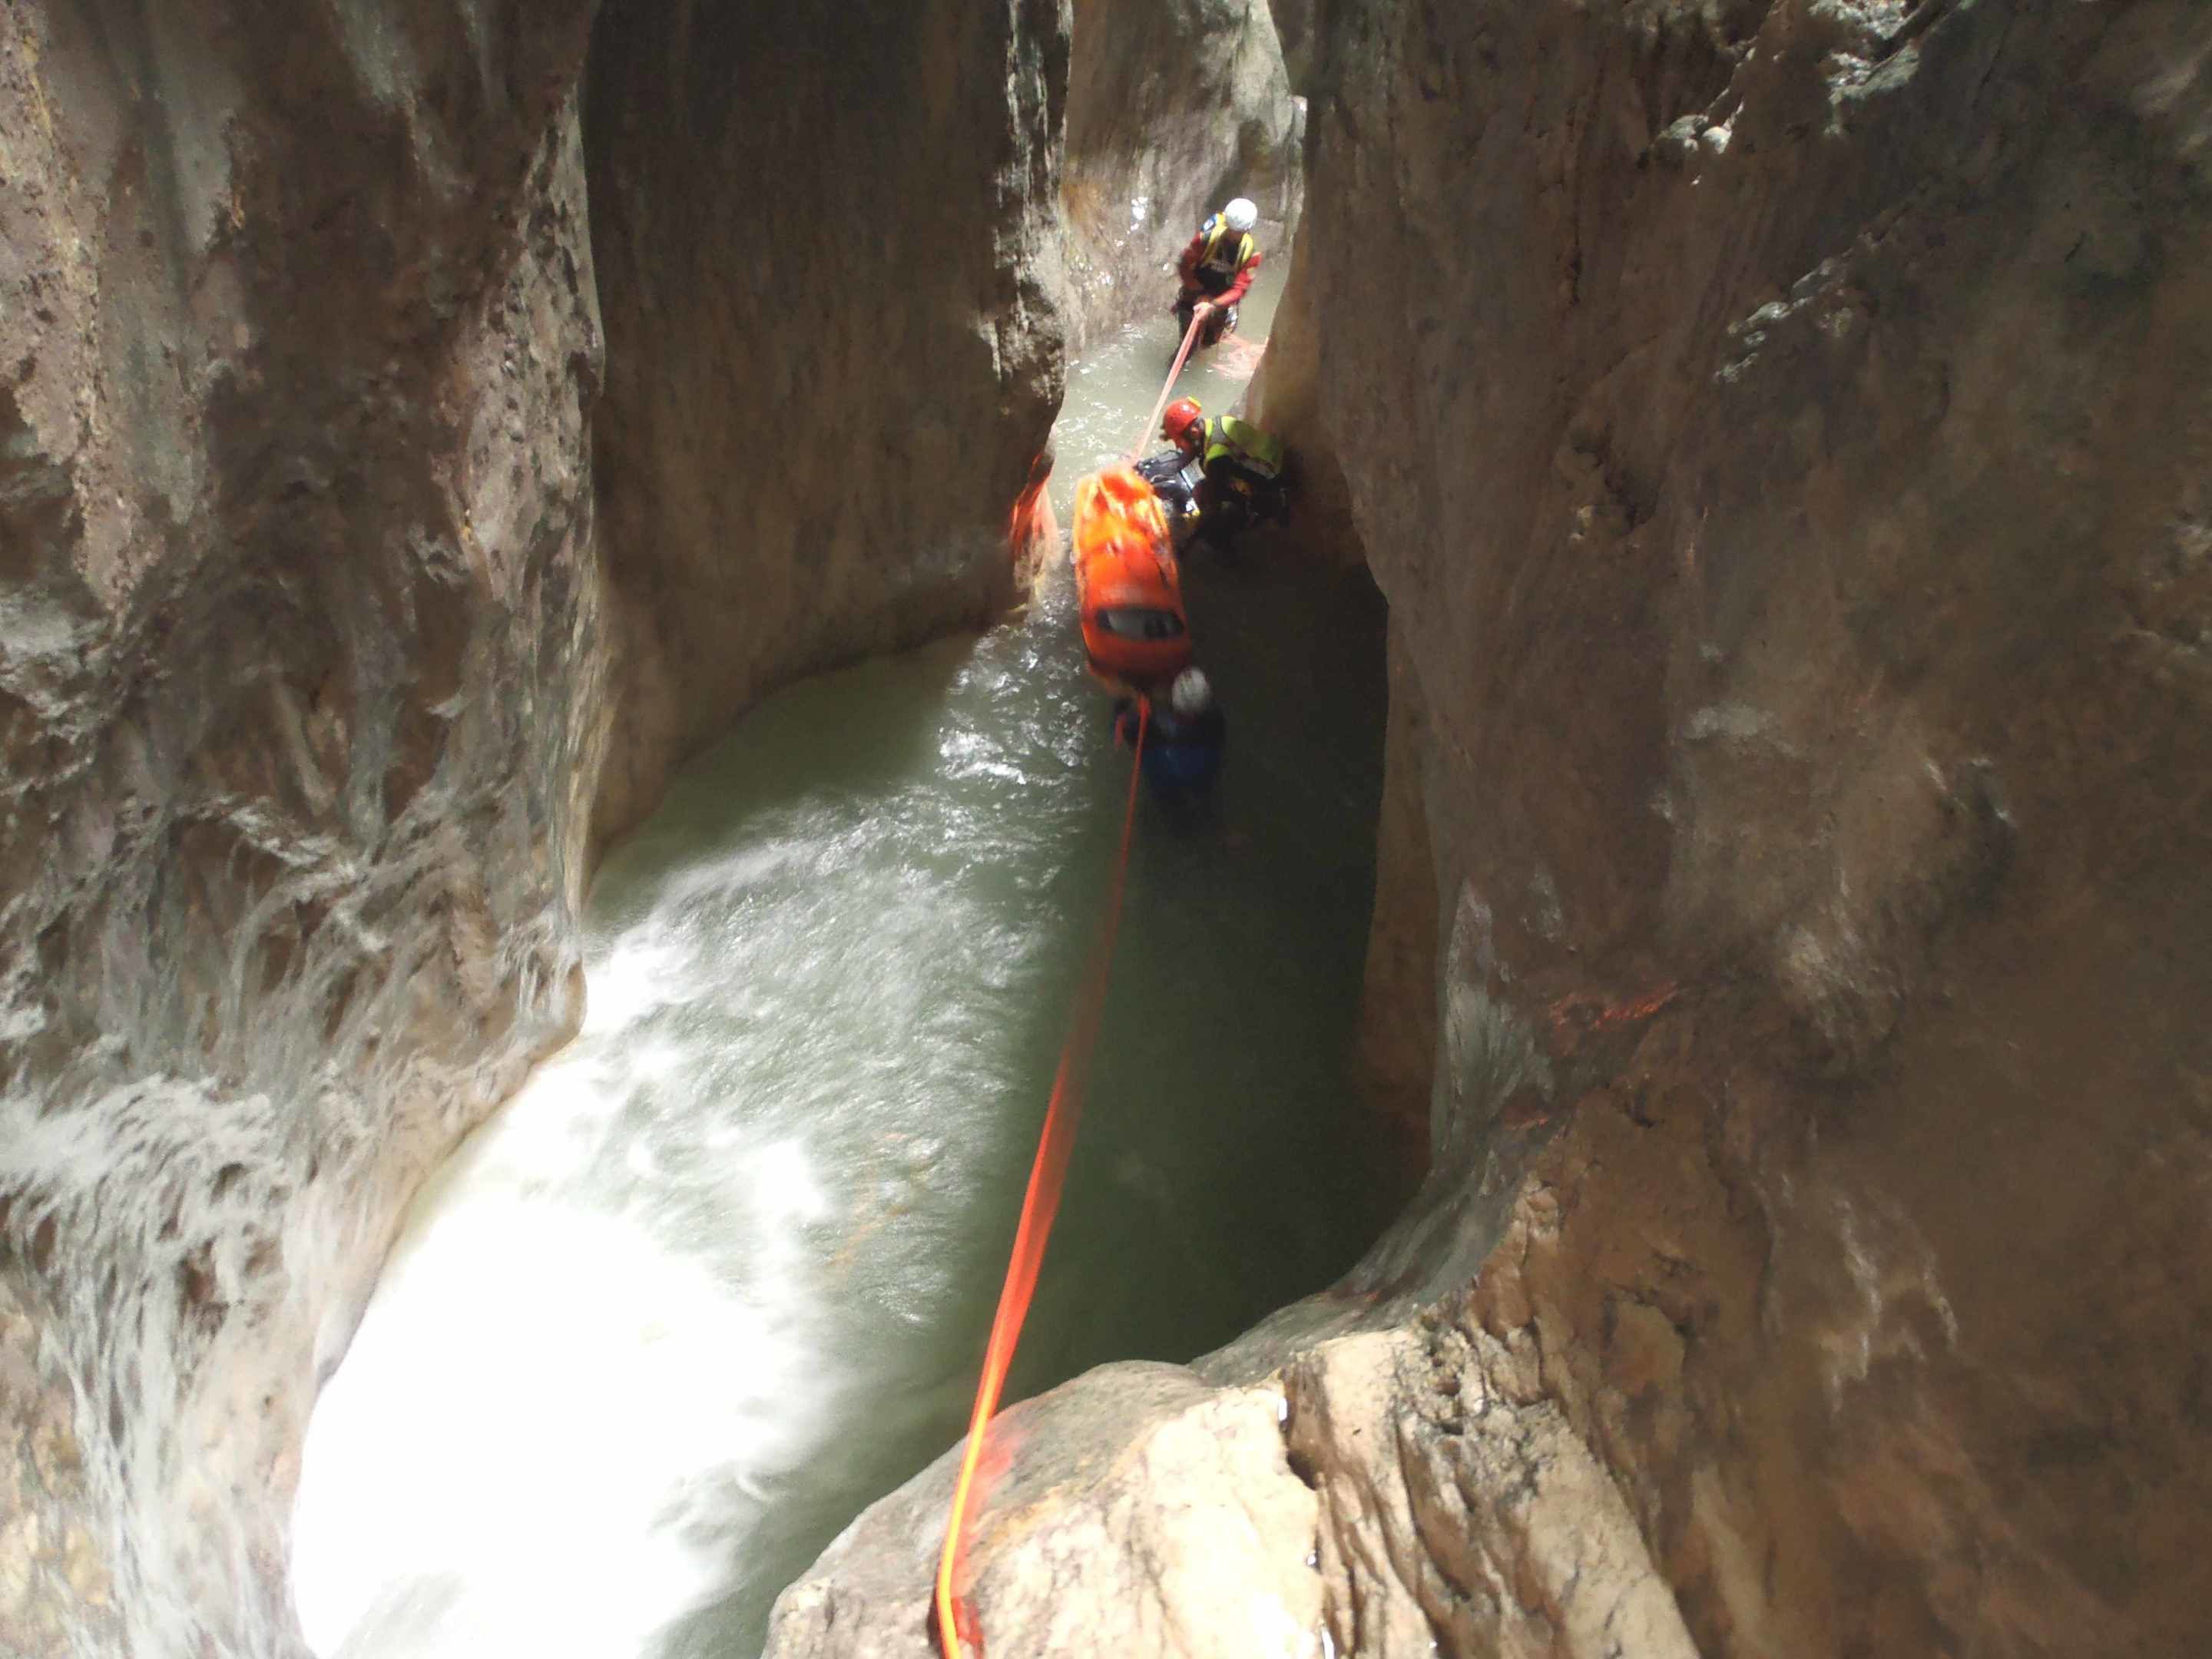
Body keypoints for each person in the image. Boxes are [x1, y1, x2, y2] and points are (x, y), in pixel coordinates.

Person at [1147, 396, 1290, 555]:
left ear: (1194, 433)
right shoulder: (1216, 425)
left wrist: (1184, 548)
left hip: (1273, 489)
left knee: (1210, 524)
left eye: (1178, 441)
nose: (1178, 446)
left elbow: (1211, 512)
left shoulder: (1217, 457)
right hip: (1271, 465)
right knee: (1204, 485)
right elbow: (1188, 456)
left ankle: (1244, 531)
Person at [1113, 667, 1226, 801]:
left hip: (1166, 787)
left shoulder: (1150, 733)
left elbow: (1120, 720)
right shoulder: (1217, 723)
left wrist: (1129, 702)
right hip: (1201, 781)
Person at [1174, 197, 1262, 351]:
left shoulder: (1251, 253)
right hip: (1197, 286)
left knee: (1210, 341)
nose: (1233, 235)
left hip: (1222, 294)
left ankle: (1210, 336)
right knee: (1188, 345)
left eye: (1238, 232)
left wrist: (1213, 305)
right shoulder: (1206, 238)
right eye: (1232, 230)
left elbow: (1240, 289)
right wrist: (1198, 292)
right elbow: (1185, 265)